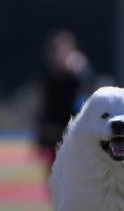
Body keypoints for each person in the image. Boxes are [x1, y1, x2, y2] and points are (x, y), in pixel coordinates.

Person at [35, 30, 94, 175]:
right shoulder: (48, 74)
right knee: (54, 174)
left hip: (73, 132)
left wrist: (81, 72)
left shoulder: (78, 73)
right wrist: (41, 137)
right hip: (54, 133)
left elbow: (86, 100)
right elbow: (45, 106)